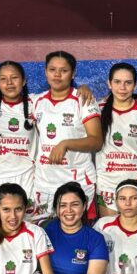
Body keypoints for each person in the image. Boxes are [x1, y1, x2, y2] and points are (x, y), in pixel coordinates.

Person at [31, 50, 103, 217]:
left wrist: (66, 144)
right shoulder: (36, 101)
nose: (57, 75)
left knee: (77, 230)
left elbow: (96, 141)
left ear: (73, 73)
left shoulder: (83, 99)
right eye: (52, 70)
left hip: (78, 182)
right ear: (45, 71)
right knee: (46, 231)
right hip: (45, 183)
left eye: (64, 70)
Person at [95, 63, 137, 217]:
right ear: (109, 83)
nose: (122, 87)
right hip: (108, 185)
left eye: (128, 82)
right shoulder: (98, 110)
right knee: (110, 231)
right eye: (117, 82)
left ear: (135, 85)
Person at [0, 60, 38, 213]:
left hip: (27, 176)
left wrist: (82, 88)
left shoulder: (36, 102)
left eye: (14, 77)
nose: (9, 83)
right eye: (3, 79)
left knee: (27, 222)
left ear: (24, 80)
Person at [42, 182, 108, 274]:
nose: (69, 210)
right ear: (56, 209)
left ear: (84, 206)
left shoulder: (96, 240)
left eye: (75, 204)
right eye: (63, 205)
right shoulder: (45, 229)